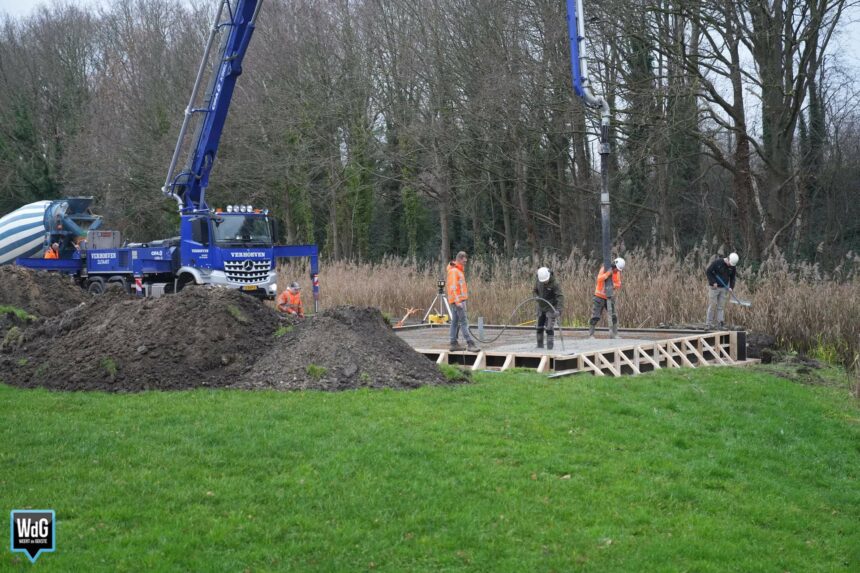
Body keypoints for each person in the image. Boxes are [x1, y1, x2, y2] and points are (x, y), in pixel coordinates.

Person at [447, 251, 480, 352]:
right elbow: (453, 287)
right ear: (460, 259)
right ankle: (470, 344)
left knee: (455, 322)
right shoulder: (454, 271)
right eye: (464, 260)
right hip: (458, 301)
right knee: (464, 322)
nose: (466, 262)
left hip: (458, 300)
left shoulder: (458, 270)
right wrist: (458, 301)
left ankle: (453, 343)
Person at [588, 257, 625, 339]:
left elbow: (618, 283)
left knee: (613, 315)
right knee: (595, 315)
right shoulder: (604, 269)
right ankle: (591, 335)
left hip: (609, 296)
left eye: (618, 270)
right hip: (599, 296)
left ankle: (615, 334)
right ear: (614, 265)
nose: (617, 271)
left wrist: (611, 286)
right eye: (616, 269)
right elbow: (599, 279)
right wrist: (607, 274)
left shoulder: (617, 273)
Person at [705, 252, 739, 330]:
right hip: (714, 288)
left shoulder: (732, 267)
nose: (730, 265)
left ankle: (720, 324)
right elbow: (708, 272)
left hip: (724, 288)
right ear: (728, 258)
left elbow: (732, 278)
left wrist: (731, 287)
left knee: (721, 307)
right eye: (729, 263)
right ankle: (708, 324)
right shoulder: (717, 263)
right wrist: (713, 282)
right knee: (712, 305)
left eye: (731, 265)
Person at [534, 266, 564, 350]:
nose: (545, 282)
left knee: (549, 327)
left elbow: (560, 297)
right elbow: (534, 291)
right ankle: (539, 346)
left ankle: (550, 348)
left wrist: (559, 310)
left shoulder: (555, 284)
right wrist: (536, 297)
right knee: (539, 327)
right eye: (543, 281)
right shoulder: (538, 281)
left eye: (546, 281)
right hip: (541, 307)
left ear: (549, 276)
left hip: (551, 307)